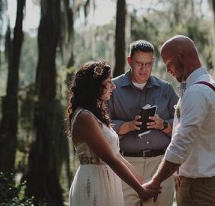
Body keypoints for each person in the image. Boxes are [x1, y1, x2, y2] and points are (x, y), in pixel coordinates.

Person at [144, 35, 215, 206]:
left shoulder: (196, 93)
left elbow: (181, 144)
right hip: (203, 186)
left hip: (200, 191)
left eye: (168, 63)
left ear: (181, 56)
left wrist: (155, 181)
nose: (168, 70)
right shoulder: (206, 84)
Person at [67, 60, 159, 205]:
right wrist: (139, 190)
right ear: (96, 85)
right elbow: (110, 158)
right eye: (109, 82)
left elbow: (116, 155)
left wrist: (143, 183)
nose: (114, 86)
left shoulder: (95, 116)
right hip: (94, 181)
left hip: (108, 180)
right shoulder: (84, 117)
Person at [107, 40, 180, 206]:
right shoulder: (113, 88)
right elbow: (101, 125)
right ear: (129, 61)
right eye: (139, 64)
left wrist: (163, 125)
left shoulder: (166, 89)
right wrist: (128, 126)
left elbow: (182, 124)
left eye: (148, 64)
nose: (144, 69)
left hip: (161, 164)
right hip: (126, 165)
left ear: (153, 62)